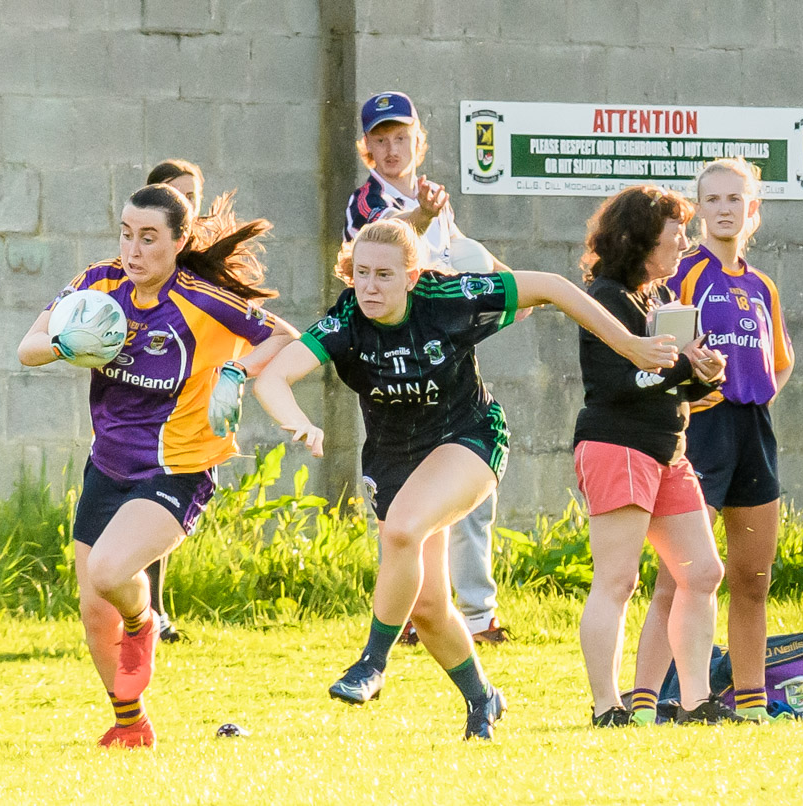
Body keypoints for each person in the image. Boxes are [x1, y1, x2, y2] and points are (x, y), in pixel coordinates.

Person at [253, 218, 676, 739]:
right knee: (429, 607)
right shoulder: (346, 322)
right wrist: (296, 419)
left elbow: (553, 288)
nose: (369, 286)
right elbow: (273, 377)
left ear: (412, 277)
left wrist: (631, 344)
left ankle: (371, 663)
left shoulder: (449, 298)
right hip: (394, 458)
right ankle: (483, 698)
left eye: (384, 275)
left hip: (469, 438)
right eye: (361, 273)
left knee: (402, 529)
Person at [17, 184, 295, 749]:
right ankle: (130, 726)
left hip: (178, 468)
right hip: (108, 465)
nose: (133, 250)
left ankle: (144, 622)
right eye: (125, 234)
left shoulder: (201, 300)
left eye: (148, 238)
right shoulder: (99, 285)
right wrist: (72, 343)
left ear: (179, 242)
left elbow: (287, 338)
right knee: (96, 612)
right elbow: (29, 347)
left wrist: (236, 375)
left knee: (110, 573)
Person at [628, 159, 794, 724]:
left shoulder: (762, 285)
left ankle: (751, 706)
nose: (725, 209)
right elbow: (654, 351)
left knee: (752, 579)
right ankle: (645, 703)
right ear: (700, 211)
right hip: (701, 431)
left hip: (754, 433)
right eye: (714, 199)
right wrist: (689, 391)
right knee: (680, 577)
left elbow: (780, 362)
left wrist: (756, 393)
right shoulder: (685, 274)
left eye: (736, 200)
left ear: (753, 211)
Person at [571, 185, 743, 726]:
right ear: (641, 242)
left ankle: (694, 701)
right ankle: (608, 707)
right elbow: (618, 382)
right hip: (617, 446)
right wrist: (683, 368)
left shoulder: (657, 301)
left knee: (702, 573)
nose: (684, 246)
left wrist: (700, 373)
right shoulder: (606, 298)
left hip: (668, 451)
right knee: (618, 580)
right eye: (675, 237)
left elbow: (664, 383)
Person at [342, 91, 507, 644]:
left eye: (401, 137)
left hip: (447, 346)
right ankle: (414, 609)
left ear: (418, 140)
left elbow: (464, 253)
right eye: (380, 140)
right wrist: (422, 216)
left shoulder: (436, 198)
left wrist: (517, 293)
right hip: (395, 358)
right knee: (405, 495)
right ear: (366, 149)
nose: (392, 149)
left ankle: (478, 614)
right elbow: (380, 248)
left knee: (470, 487)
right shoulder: (365, 203)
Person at [140, 158, 208, 643]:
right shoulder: (138, 263)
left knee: (162, 511)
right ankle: (146, 613)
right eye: (175, 193)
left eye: (193, 196)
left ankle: (153, 610)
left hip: (191, 406)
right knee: (141, 508)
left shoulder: (205, 269)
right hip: (141, 411)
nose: (187, 204)